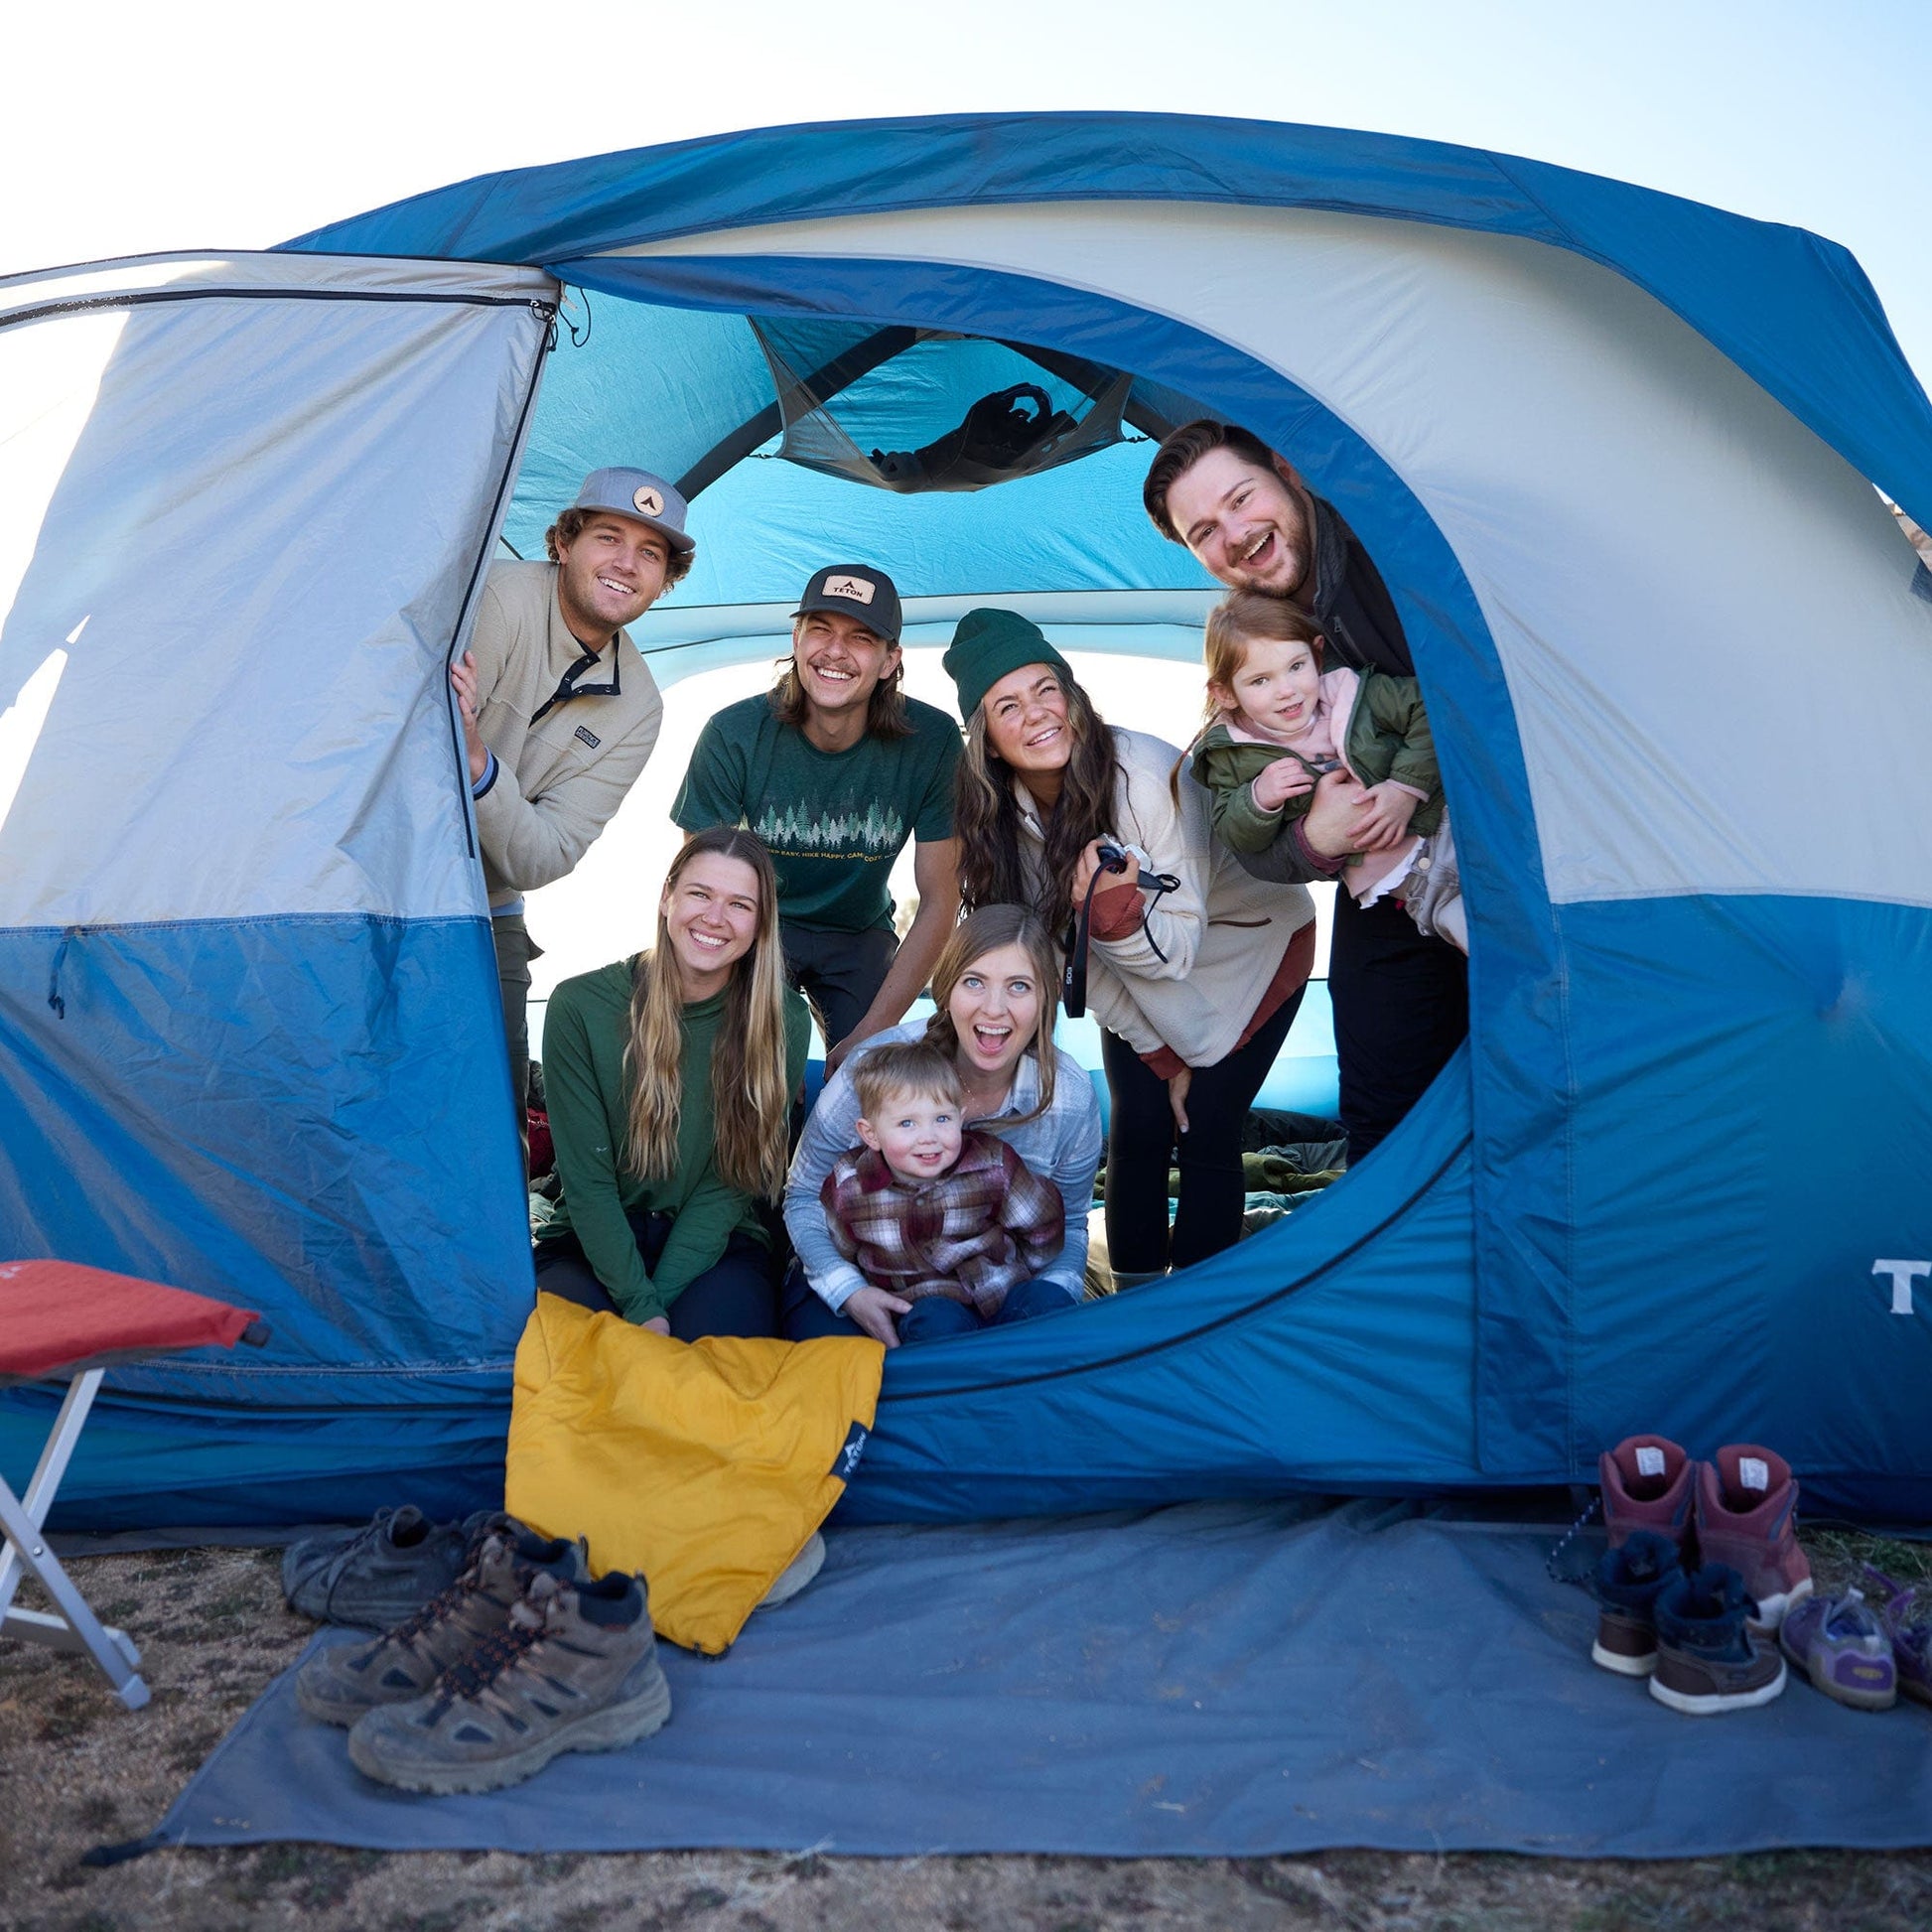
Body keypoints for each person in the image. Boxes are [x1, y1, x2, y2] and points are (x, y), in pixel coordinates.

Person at [942, 608, 1317, 1284]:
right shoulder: (1002, 825)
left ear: (1072, 695)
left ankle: (1198, 1315)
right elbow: (1066, 967)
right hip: (1132, 974)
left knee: (1206, 1123)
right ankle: (1134, 1307)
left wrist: (1112, 916)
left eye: (1046, 689)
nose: (1036, 714)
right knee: (1140, 1124)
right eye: (1008, 705)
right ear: (989, 740)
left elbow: (1177, 945)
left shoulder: (1144, 774)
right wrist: (1160, 1049)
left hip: (1249, 947)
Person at [1143, 420, 1469, 1163]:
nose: (1237, 533)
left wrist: (1410, 789)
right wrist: (1309, 839)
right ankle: (1397, 1235)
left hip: (1496, 841)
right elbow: (1249, 834)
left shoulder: (1390, 550)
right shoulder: (1259, 642)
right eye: (1205, 531)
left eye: (1241, 497)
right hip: (1383, 876)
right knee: (1380, 1093)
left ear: (1287, 471)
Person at [454, 467, 691, 1123]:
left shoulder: (639, 705)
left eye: (650, 553)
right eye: (608, 538)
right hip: (380, 878)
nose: (626, 563)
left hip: (491, 905)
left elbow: (543, 858)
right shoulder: (497, 601)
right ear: (563, 542)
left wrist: (479, 766)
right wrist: (503, 807)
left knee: (497, 1115)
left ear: (664, 579)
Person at [670, 565, 961, 1072]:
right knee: (741, 1072)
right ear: (796, 638)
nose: (835, 651)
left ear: (891, 660)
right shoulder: (733, 733)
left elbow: (941, 898)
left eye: (861, 638)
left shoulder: (932, 741)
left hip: (859, 930)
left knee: (880, 1075)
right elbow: (702, 889)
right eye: (820, 629)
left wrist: (871, 1034)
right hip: (756, 923)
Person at [533, 827, 809, 1339]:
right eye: (700, 895)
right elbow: (588, 1184)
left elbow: (732, 1182)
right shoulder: (580, 1007)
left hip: (717, 1240)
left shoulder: (783, 1020)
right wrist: (641, 1307)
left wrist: (656, 1305)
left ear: (761, 924)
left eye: (739, 905)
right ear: (667, 898)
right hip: (593, 1239)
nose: (714, 918)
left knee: (713, 1369)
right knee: (569, 1363)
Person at [784, 904, 1103, 1346]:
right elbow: (803, 1195)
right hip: (878, 1281)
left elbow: (1068, 1223)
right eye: (974, 982)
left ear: (1046, 996)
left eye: (1018, 987)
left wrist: (1049, 1299)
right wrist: (849, 1290)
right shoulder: (877, 1071)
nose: (995, 1009)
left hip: (995, 1289)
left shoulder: (1066, 1097)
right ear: (947, 988)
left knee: (1045, 1349)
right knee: (841, 1378)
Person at [1189, 594, 1465, 952]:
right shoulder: (1231, 754)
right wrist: (1258, 798)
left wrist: (1404, 788)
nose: (1286, 690)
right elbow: (1234, 834)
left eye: (1296, 666)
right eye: (1260, 681)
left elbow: (1426, 711)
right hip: (1414, 888)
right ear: (1225, 694)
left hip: (1451, 831)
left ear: (1317, 655)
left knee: (1527, 902)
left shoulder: (1351, 693)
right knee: (1493, 949)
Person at [819, 1039, 1066, 1345]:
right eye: (907, 1123)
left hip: (1002, 1296)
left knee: (1048, 1300)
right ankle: (960, 1387)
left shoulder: (992, 1164)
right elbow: (840, 1249)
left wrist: (1026, 1268)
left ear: (960, 1118)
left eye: (942, 1119)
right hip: (925, 1311)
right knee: (936, 1321)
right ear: (871, 1134)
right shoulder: (851, 1186)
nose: (928, 1137)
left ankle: (1054, 1379)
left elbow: (1042, 1224)